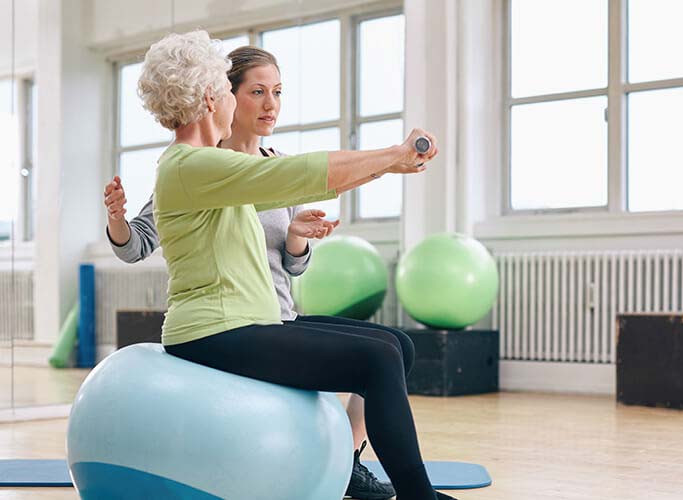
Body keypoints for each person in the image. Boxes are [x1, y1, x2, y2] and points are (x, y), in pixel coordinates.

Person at [134, 30, 453, 500]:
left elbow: (289, 180)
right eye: (231, 91)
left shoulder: (202, 164)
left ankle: (357, 471)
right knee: (377, 358)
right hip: (214, 330)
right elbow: (295, 175)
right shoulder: (190, 165)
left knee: (392, 343)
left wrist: (390, 165)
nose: (249, 103)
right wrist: (391, 156)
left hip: (248, 320)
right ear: (209, 98)